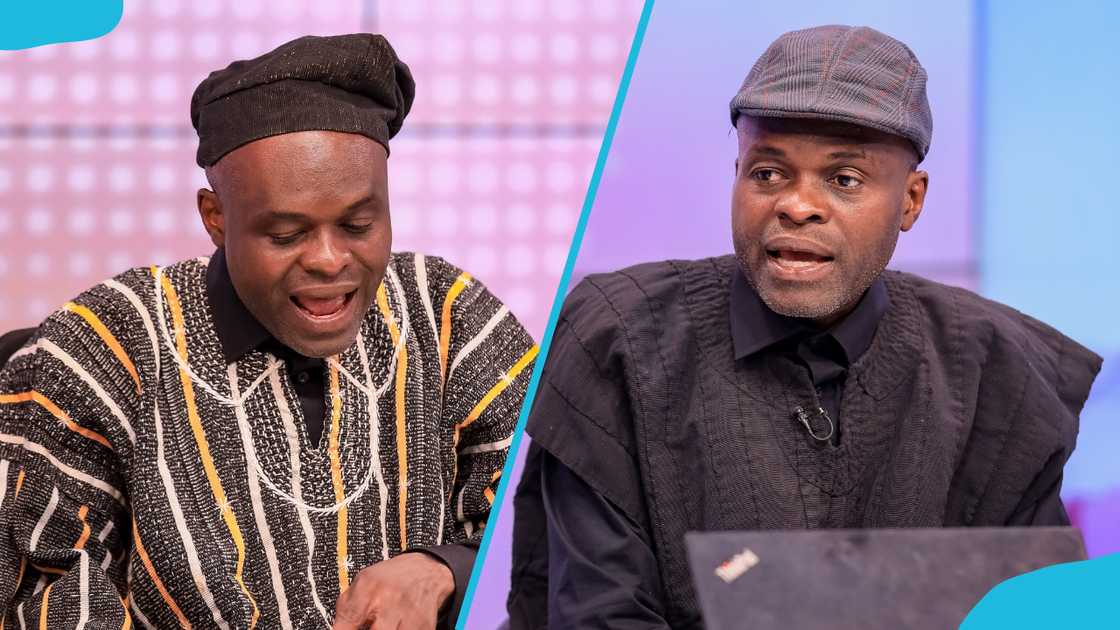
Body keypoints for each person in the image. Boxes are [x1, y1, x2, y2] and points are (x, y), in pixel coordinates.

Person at [507, 25, 1101, 629]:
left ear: (911, 201)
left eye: (844, 180)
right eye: (767, 173)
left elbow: (1030, 613)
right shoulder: (619, 338)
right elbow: (599, 614)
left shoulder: (998, 373)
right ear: (736, 172)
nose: (796, 205)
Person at [0, 33, 537, 629]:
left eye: (360, 223)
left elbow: (548, 521)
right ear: (216, 219)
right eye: (285, 235)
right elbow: (37, 594)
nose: (331, 260)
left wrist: (443, 568)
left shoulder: (447, 314)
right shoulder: (103, 350)